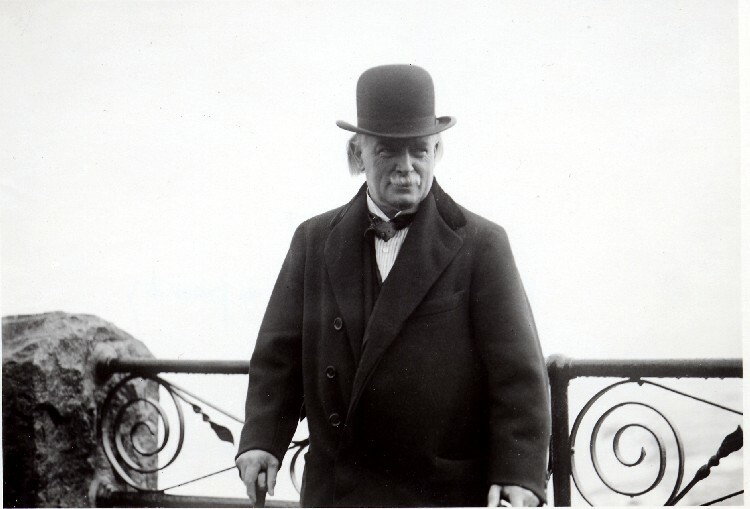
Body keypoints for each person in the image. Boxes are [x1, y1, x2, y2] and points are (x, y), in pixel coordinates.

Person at [235, 64, 551, 507]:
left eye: (419, 151)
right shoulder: (314, 239)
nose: (407, 168)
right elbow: (279, 354)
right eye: (388, 151)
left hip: (441, 491)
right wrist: (262, 440)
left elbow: (517, 374)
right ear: (357, 153)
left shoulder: (482, 243)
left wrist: (519, 473)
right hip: (337, 491)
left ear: (437, 151)